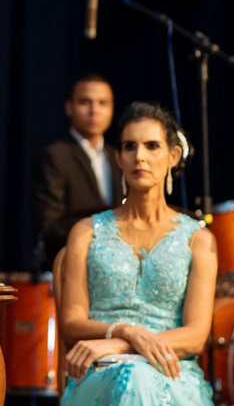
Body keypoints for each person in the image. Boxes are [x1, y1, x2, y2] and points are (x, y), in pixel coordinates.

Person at [59, 102, 216, 406]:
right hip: (97, 373)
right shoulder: (85, 232)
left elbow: (196, 336)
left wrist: (120, 344)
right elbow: (71, 325)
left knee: (140, 377)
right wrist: (126, 330)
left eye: (152, 146)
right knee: (135, 377)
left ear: (173, 156)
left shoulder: (198, 238)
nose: (139, 156)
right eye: (129, 147)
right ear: (118, 157)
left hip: (173, 374)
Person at [31, 74, 124, 270]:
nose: (94, 110)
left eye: (103, 103)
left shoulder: (120, 156)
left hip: (120, 266)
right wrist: (99, 249)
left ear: (112, 109)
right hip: (73, 267)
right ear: (69, 107)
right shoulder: (55, 156)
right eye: (85, 102)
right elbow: (50, 225)